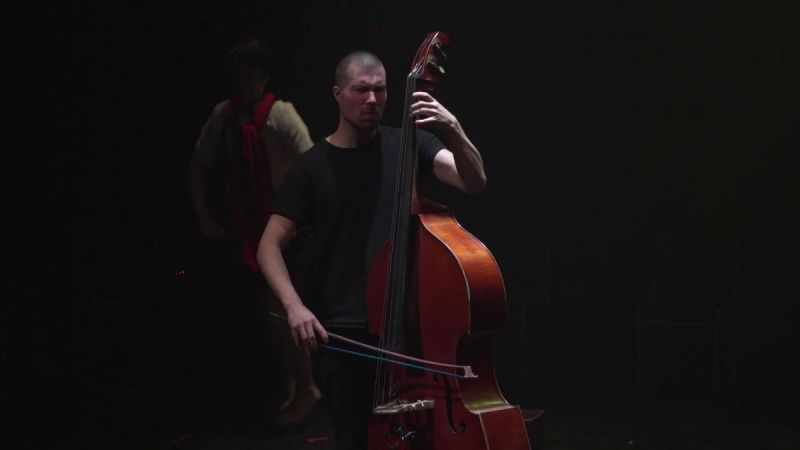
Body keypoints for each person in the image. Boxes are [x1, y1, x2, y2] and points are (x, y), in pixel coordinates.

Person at [257, 50, 487, 449]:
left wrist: (453, 127)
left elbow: (474, 181)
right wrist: (294, 306)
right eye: (361, 90)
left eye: (379, 91)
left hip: (410, 327)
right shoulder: (311, 168)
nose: (372, 100)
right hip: (345, 333)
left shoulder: (410, 145)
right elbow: (268, 246)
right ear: (337, 94)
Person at [188, 38, 319, 425]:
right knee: (271, 314)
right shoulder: (225, 117)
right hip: (247, 227)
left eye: (250, 71)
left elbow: (311, 164)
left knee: (282, 309)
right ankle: (296, 386)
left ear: (263, 75)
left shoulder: (281, 114)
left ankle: (307, 386)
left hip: (285, 228)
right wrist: (204, 216)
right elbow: (198, 166)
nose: (243, 79)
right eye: (238, 72)